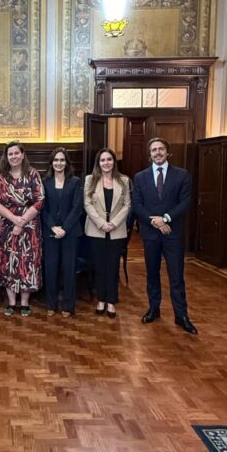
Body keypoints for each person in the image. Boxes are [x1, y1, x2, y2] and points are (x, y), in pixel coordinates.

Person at [132, 137, 198, 334]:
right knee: (152, 274)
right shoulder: (140, 177)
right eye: (154, 150)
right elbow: (137, 205)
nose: (158, 152)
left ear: (167, 152)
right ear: (150, 154)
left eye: (161, 149)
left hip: (173, 233)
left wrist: (166, 218)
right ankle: (154, 309)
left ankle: (181, 315)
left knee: (176, 276)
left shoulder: (182, 175)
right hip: (150, 233)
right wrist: (154, 221)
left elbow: (185, 202)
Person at [0, 141, 44, 316]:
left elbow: (40, 200)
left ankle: (25, 303)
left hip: (29, 227)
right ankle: (12, 302)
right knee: (8, 263)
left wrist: (21, 222)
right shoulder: (0, 176)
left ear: (22, 155)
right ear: (6, 157)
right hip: (5, 226)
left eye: (16, 153)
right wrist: (14, 219)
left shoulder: (33, 174)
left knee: (27, 263)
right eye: (10, 154)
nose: (13, 156)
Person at [84, 148, 131, 318]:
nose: (106, 163)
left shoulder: (124, 180)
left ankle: (111, 301)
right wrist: (102, 223)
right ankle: (101, 300)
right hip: (96, 229)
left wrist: (114, 223)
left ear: (114, 162)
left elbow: (127, 205)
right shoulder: (90, 180)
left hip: (116, 230)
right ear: (98, 163)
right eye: (102, 160)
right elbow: (87, 204)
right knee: (99, 267)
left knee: (113, 267)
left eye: (109, 159)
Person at [42, 147, 83, 317]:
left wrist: (64, 228)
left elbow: (77, 208)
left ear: (67, 163)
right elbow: (42, 208)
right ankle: (51, 304)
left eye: (62, 160)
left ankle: (68, 305)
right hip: (50, 232)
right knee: (50, 269)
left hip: (70, 233)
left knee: (69, 269)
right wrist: (53, 227)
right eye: (56, 160)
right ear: (51, 163)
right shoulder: (45, 182)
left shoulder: (75, 182)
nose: (59, 163)